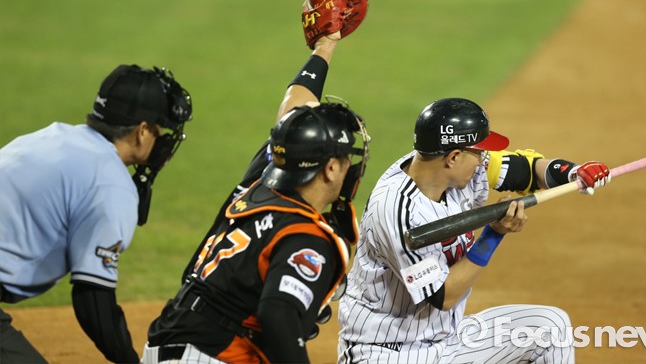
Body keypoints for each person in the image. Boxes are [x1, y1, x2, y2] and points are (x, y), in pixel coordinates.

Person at [142, 35, 371, 363]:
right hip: (212, 356)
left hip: (166, 343)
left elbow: (291, 116)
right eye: (347, 158)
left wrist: (324, 47)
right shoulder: (306, 236)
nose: (351, 166)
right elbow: (278, 315)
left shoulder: (255, 188)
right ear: (331, 168)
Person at [338, 97, 611, 364]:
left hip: (447, 342)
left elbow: (524, 170)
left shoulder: (446, 167)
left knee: (551, 328)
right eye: (478, 153)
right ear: (453, 157)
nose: (483, 160)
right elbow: (444, 296)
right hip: (386, 352)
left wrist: (573, 173)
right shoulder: (396, 209)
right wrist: (494, 235)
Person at [0, 64, 193, 364]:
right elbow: (93, 299)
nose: (163, 139)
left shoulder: (52, 136)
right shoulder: (111, 184)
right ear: (142, 131)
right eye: (159, 130)